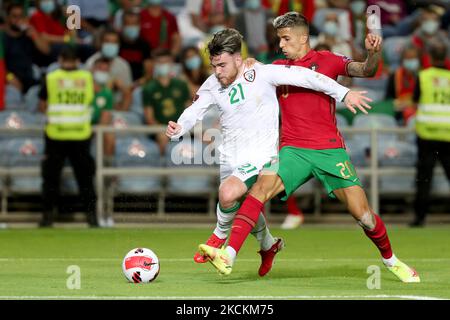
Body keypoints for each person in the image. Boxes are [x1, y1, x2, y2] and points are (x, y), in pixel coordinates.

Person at [199, 13, 421, 284]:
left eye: (286, 38)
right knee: (257, 191)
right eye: (279, 39)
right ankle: (229, 254)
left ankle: (391, 260)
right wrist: (244, 64)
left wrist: (373, 54)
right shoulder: (277, 68)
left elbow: (367, 70)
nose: (281, 44)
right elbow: (246, 78)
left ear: (303, 38)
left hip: (329, 149)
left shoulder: (328, 60)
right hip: (292, 149)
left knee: (364, 216)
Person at [166, 28, 371, 276]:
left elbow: (309, 78)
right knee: (243, 202)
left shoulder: (262, 73)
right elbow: (195, 109)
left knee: (228, 193)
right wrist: (179, 127)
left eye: (222, 65)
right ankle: (269, 245)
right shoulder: (213, 83)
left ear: (238, 59)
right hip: (230, 157)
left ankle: (218, 238)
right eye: (214, 66)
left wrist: (344, 93)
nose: (217, 71)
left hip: (264, 156)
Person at [38, 45, 98, 227]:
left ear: (60, 60)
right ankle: (92, 218)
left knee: (50, 178)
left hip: (56, 134)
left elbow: (42, 105)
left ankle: (47, 217)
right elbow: (91, 101)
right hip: (81, 135)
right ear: (78, 61)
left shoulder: (51, 78)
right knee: (86, 179)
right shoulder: (86, 77)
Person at [411, 42, 450, 227]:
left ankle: (420, 218)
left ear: (431, 57)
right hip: (448, 136)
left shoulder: (424, 76)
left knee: (424, 178)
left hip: (427, 135)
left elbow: (415, 100)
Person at [144, 49, 191, 155]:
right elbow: (149, 118)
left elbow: (189, 109)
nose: (163, 65)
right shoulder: (149, 88)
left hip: (182, 127)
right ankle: (163, 169)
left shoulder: (181, 85)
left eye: (166, 62)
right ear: (155, 64)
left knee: (204, 133)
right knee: (162, 137)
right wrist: (166, 130)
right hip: (161, 129)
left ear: (171, 64)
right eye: (160, 62)